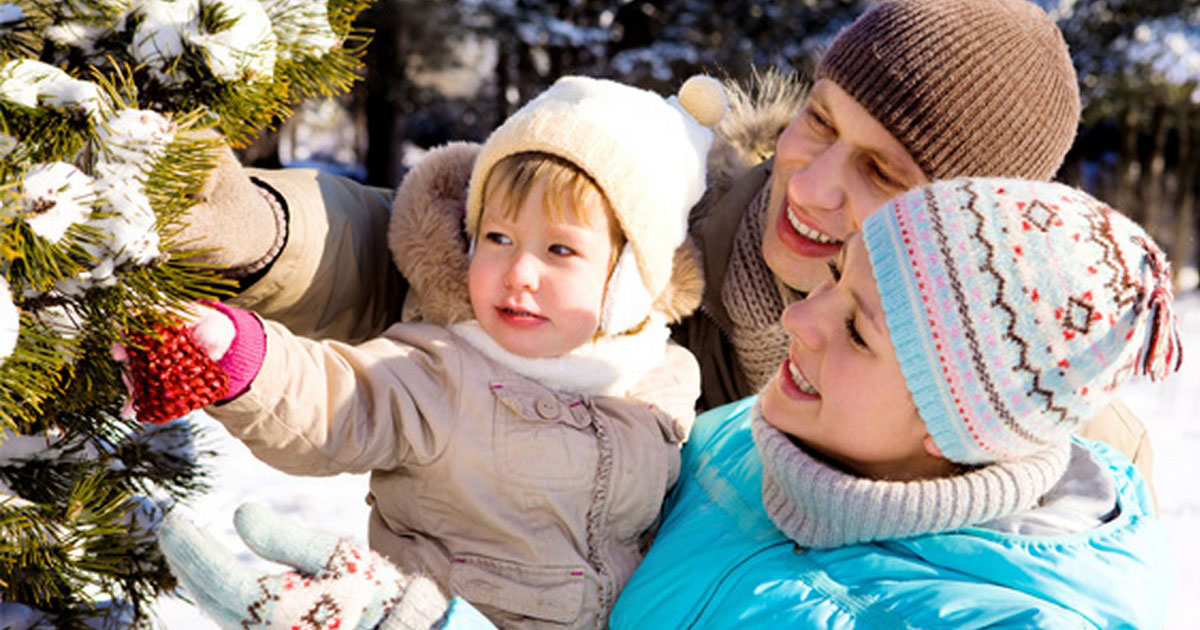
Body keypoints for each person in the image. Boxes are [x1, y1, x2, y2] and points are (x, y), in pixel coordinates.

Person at [177, 0, 1156, 483]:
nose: (809, 186)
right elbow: (430, 247)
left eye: (884, 173)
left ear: (964, 229)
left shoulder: (1039, 443)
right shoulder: (662, 224)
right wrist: (255, 227)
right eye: (821, 122)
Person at [159, 177, 1180, 628]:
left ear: (967, 428)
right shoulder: (742, 443)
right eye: (834, 283)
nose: (807, 324)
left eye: (861, 328)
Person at [149, 75, 728, 628]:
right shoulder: (440, 367)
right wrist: (240, 357)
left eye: (560, 249)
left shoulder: (664, 378)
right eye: (498, 238)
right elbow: (338, 399)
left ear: (630, 280)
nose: (519, 272)